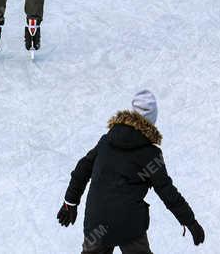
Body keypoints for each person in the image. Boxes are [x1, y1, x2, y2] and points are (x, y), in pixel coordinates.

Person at [57, 90, 205, 253]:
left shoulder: (106, 141)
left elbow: (82, 169)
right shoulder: (151, 155)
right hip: (128, 226)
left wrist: (69, 202)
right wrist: (190, 221)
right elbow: (167, 191)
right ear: (152, 120)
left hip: (97, 223)